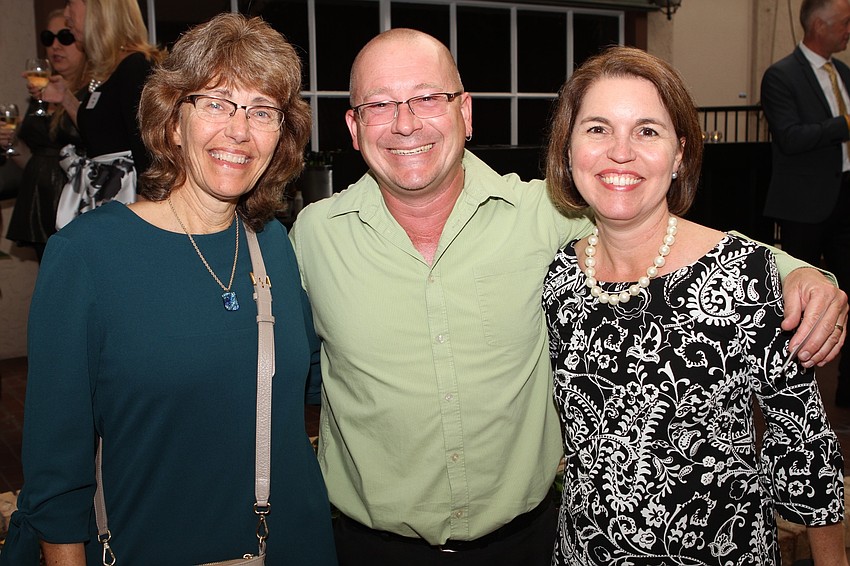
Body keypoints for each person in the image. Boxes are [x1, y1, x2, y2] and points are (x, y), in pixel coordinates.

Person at [289, 28, 848, 566]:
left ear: (465, 112)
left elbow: (663, 232)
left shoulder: (544, 217)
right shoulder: (312, 237)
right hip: (367, 548)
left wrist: (805, 273)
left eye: (427, 98)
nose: (405, 123)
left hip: (528, 546)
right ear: (354, 127)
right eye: (380, 105)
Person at [1, 13, 337, 565]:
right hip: (150, 544)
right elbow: (56, 473)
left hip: (292, 545)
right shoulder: (86, 258)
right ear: (171, 120)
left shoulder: (273, 242)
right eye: (217, 103)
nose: (239, 130)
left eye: (262, 111)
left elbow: (312, 382)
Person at [544, 44, 848, 566]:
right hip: (584, 551)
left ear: (680, 153)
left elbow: (804, 451)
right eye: (597, 128)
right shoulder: (562, 278)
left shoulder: (746, 276)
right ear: (568, 151)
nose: (622, 151)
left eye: (647, 130)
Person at [761, 0, 850, 407]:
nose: (849, 30)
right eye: (846, 22)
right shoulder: (781, 75)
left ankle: (846, 391)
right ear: (819, 24)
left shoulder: (844, 74)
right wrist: (845, 125)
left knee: (845, 295)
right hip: (804, 206)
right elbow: (791, 137)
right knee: (797, 306)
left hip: (847, 199)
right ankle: (791, 394)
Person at [43, 0, 164, 229]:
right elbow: (101, 134)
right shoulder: (109, 69)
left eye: (72, 4)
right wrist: (66, 98)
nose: (66, 13)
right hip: (104, 194)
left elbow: (147, 148)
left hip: (126, 199)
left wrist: (146, 216)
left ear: (99, 10)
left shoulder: (136, 66)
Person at [2, 9, 88, 260]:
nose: (55, 46)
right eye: (48, 38)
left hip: (74, 202)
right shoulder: (41, 92)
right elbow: (33, 159)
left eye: (64, 36)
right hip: (39, 202)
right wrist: (12, 142)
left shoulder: (94, 92)